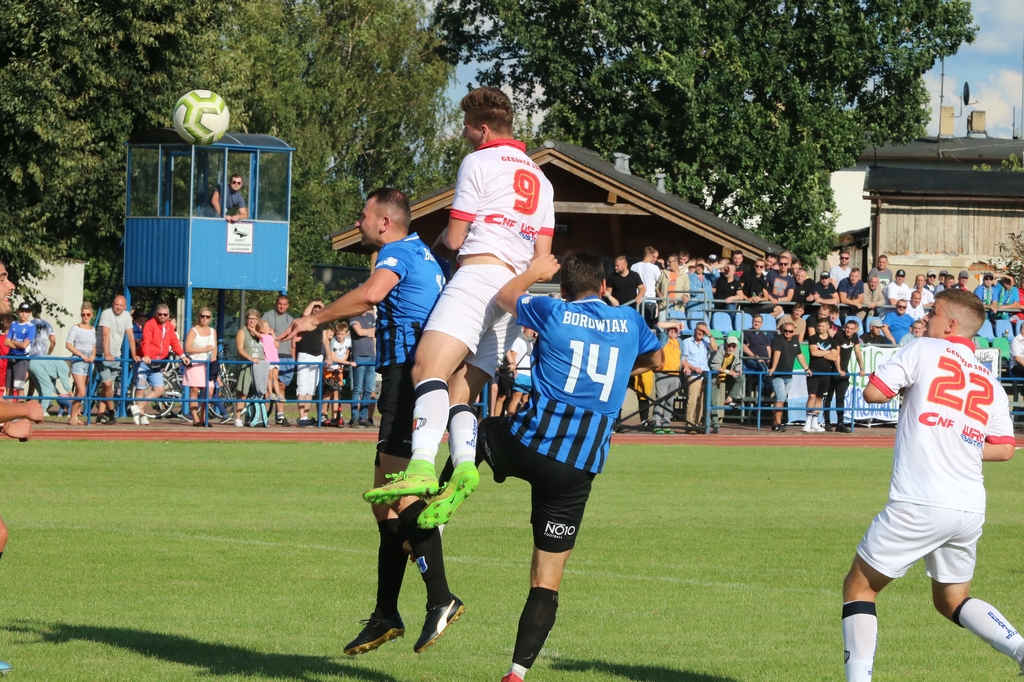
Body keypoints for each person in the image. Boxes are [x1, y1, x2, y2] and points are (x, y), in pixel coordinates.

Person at [444, 251, 660, 682]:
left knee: (477, 428)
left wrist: (531, 273)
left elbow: (505, 296)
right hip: (577, 467)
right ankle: (516, 673)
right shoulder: (631, 321)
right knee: (546, 581)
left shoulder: (553, 309)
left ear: (563, 289)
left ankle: (439, 515)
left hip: (530, 441)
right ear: (604, 286)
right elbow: (656, 361)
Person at [281, 188, 457, 655]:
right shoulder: (424, 254)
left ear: (384, 222)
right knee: (385, 502)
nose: (358, 222)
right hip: (411, 380)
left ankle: (440, 596)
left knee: (400, 495)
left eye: (363, 215)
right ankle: (386, 613)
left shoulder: (397, 253)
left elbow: (371, 295)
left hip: (405, 380)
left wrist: (315, 321)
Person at [363, 86, 555, 513]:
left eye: (467, 128)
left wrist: (432, 254)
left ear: (483, 129)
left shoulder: (478, 161)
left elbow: (454, 237)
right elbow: (542, 258)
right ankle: (465, 465)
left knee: (426, 368)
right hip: (514, 291)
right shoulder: (543, 182)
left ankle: (421, 465)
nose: (464, 135)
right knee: (461, 391)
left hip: (478, 276)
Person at [842, 288, 1023, 682]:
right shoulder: (990, 381)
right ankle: (1022, 651)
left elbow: (874, 393)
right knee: (952, 600)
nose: (925, 320)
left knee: (859, 587)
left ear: (950, 324)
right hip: (969, 507)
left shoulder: (923, 348)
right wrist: (959, 441)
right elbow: (1006, 449)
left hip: (921, 500)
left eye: (933, 313)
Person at [131, 304, 190, 425]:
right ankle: (142, 415)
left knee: (159, 389)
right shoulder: (150, 324)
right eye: (160, 314)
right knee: (140, 388)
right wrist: (146, 355)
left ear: (168, 315)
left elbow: (174, 342)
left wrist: (182, 355)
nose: (162, 316)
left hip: (158, 362)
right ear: (156, 314)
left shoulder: (169, 326)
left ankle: (138, 407)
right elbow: (146, 341)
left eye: (165, 314)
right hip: (144, 362)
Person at [97, 295, 137, 425]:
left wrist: (134, 354)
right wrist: (107, 353)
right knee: (108, 385)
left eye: (121, 305)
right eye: (116, 304)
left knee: (107, 387)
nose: (118, 307)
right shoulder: (106, 314)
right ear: (112, 304)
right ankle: (111, 410)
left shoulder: (126, 316)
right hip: (102, 354)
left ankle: (100, 414)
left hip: (117, 355)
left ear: (125, 307)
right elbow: (105, 334)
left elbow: (130, 336)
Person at [293, 301, 330, 427]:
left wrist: (329, 356)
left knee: (311, 388)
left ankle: (306, 416)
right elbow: (305, 314)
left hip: (317, 356)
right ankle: (302, 416)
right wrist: (314, 302)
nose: (317, 309)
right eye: (315, 307)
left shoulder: (323, 322)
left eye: (320, 307)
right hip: (304, 354)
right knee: (302, 386)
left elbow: (325, 339)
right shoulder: (306, 319)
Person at [824, 319, 865, 433]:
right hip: (832, 370)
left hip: (843, 372)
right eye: (847, 328)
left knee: (840, 397)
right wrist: (838, 369)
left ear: (855, 330)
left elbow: (858, 352)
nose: (849, 330)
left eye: (851, 329)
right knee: (828, 397)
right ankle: (827, 422)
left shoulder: (854, 336)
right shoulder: (838, 336)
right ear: (844, 327)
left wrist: (862, 368)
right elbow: (836, 354)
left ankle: (840, 424)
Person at [261, 295, 295, 426]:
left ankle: (280, 415)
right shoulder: (267, 316)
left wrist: (294, 358)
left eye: (284, 304)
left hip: (286, 356)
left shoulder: (291, 320)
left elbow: (293, 341)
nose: (282, 306)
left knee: (281, 386)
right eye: (280, 304)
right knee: (268, 386)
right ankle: (263, 415)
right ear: (276, 304)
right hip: (270, 356)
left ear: (288, 305)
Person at [804, 318, 840, 433]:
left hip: (826, 373)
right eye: (819, 326)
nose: (820, 328)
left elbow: (834, 357)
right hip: (813, 371)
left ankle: (815, 422)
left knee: (820, 397)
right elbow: (814, 352)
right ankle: (807, 422)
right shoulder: (813, 338)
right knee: (811, 396)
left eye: (823, 326)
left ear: (828, 327)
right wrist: (828, 352)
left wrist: (822, 352)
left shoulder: (832, 341)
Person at [680, 322, 716, 433]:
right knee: (692, 400)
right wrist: (694, 368)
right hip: (693, 375)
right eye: (699, 330)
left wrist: (709, 333)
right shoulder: (687, 342)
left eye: (703, 331)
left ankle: (696, 424)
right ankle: (689, 425)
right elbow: (683, 360)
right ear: (695, 330)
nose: (700, 333)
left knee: (702, 401)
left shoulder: (706, 342)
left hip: (704, 375)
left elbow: (715, 348)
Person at [184, 308, 217, 427]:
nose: (204, 319)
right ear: (198, 317)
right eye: (202, 316)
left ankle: (203, 417)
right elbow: (187, 348)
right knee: (194, 390)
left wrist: (214, 356)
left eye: (207, 317)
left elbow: (214, 347)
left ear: (211, 318)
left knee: (209, 391)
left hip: (208, 365)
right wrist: (204, 349)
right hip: (195, 364)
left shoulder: (213, 331)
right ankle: (195, 418)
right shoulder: (193, 331)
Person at [65, 302, 97, 425]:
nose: (85, 316)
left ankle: (74, 417)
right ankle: (72, 417)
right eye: (83, 314)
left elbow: (93, 346)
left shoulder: (92, 329)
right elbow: (68, 344)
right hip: (78, 360)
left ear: (92, 315)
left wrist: (93, 355)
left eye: (88, 314)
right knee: (82, 392)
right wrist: (81, 355)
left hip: (89, 362)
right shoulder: (75, 327)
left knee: (80, 393)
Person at [233, 309, 265, 428]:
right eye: (250, 318)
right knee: (243, 392)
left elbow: (272, 343)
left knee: (259, 393)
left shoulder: (261, 332)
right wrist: (250, 358)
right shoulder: (242, 332)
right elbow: (240, 349)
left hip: (260, 366)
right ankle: (237, 417)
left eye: (254, 319)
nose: (252, 321)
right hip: (247, 365)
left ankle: (256, 417)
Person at [347, 308, 376, 427]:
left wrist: (366, 331)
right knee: (358, 388)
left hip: (372, 357)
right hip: (359, 356)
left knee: (368, 389)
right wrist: (369, 331)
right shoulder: (353, 316)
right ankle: (354, 417)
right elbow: (358, 332)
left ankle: (363, 418)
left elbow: (375, 333)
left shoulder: (371, 316)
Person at [709, 336, 743, 434]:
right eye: (729, 346)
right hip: (714, 377)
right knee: (713, 401)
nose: (731, 348)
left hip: (726, 375)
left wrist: (738, 370)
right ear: (726, 345)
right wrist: (729, 372)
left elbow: (738, 364)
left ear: (736, 346)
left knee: (741, 377)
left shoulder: (736, 351)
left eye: (733, 346)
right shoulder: (720, 350)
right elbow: (714, 366)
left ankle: (730, 398)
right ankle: (715, 424)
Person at [653, 325, 682, 435]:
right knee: (660, 400)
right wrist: (673, 324)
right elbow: (658, 325)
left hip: (675, 375)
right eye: (671, 328)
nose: (673, 331)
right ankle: (657, 424)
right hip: (663, 374)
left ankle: (666, 424)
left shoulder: (680, 342)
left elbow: (682, 357)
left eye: (675, 329)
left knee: (670, 402)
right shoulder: (664, 338)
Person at [4, 302, 34, 397]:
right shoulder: (13, 324)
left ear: (30, 313)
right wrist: (19, 344)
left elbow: (24, 346)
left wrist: (13, 341)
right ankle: (9, 406)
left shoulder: (31, 327)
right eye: (22, 311)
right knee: (8, 388)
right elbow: (6, 342)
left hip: (22, 358)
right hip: (12, 357)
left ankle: (20, 406)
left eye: (26, 311)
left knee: (19, 388)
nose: (23, 314)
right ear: (18, 312)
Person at [505, 328, 536, 416]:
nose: (532, 331)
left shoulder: (532, 342)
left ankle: (521, 418)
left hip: (529, 374)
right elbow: (513, 356)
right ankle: (510, 418)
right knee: (516, 398)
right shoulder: (518, 340)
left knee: (526, 400)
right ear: (524, 329)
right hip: (521, 373)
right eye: (530, 328)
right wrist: (515, 371)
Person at [630, 246, 661, 329]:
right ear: (651, 255)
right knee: (648, 327)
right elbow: (660, 282)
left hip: (637, 300)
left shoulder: (634, 266)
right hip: (650, 300)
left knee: (637, 325)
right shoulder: (654, 268)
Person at [255, 320, 283, 402]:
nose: (269, 328)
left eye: (269, 326)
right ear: (261, 330)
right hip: (268, 359)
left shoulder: (271, 336)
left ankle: (278, 393)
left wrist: (273, 334)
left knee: (275, 377)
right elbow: (256, 334)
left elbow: (277, 345)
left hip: (275, 359)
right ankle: (270, 392)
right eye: (267, 327)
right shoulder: (262, 336)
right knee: (269, 377)